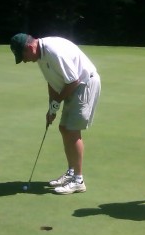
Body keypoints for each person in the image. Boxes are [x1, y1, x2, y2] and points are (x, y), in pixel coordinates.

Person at [9, 33, 101, 194]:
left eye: (23, 56)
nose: (24, 61)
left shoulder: (53, 52)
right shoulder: (40, 56)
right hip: (74, 85)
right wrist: (52, 108)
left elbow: (73, 80)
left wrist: (57, 102)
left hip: (85, 84)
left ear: (30, 48)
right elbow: (52, 83)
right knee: (64, 128)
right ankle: (71, 173)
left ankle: (78, 180)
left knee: (72, 130)